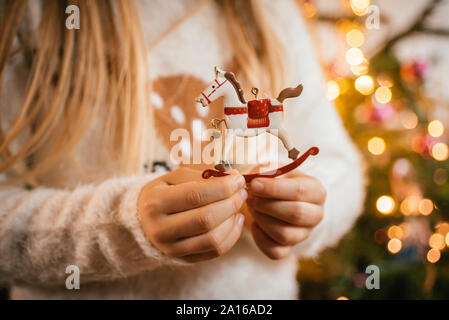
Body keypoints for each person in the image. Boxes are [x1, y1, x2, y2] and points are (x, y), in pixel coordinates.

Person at [0, 0, 364, 299]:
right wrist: (124, 224)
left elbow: (338, 166)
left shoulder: (269, 11)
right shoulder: (30, 14)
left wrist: (306, 207)